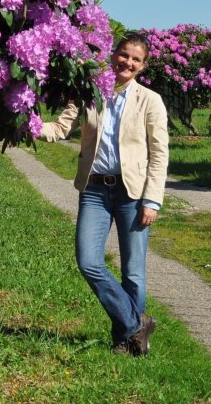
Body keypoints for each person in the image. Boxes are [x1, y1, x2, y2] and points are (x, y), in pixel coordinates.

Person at [40, 31, 169, 356]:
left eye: (135, 59)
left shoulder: (149, 100)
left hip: (133, 193)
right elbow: (59, 128)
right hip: (95, 189)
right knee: (88, 260)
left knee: (133, 273)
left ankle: (125, 342)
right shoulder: (89, 93)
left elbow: (159, 152)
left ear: (142, 65)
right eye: (124, 54)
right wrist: (25, 123)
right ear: (113, 54)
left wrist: (152, 200)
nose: (127, 62)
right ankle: (137, 325)